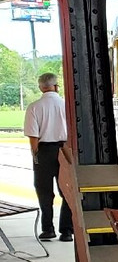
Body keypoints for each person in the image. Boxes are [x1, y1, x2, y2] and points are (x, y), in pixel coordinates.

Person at [24, 72, 74, 242]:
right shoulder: (67, 105)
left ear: (40, 87)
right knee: (67, 191)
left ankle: (48, 229)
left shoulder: (34, 107)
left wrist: (35, 155)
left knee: (44, 190)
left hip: (44, 151)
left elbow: (33, 137)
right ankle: (66, 231)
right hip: (64, 150)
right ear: (56, 86)